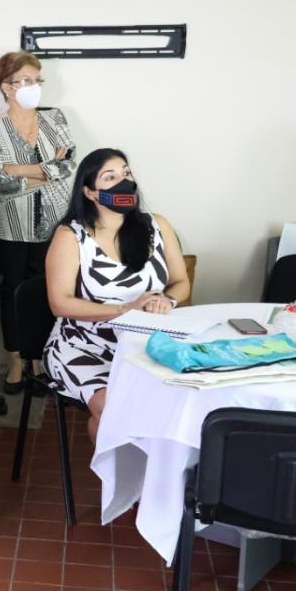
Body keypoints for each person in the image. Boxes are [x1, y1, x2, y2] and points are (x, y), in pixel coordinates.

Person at [42, 149, 190, 442]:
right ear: (90, 192)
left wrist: (167, 301)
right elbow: (60, 304)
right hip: (83, 347)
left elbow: (181, 282)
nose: (123, 181)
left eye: (126, 173)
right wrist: (126, 309)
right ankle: (117, 483)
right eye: (110, 177)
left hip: (146, 345)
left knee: (175, 408)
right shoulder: (71, 236)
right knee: (116, 410)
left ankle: (152, 480)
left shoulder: (157, 225)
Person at [0, 50, 78, 394]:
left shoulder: (56, 119)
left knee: (44, 289)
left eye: (36, 80)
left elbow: (68, 167)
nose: (32, 87)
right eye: (24, 80)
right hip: (11, 225)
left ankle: (40, 359)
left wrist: (17, 170)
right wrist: (44, 172)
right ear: (6, 87)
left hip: (54, 222)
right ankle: (15, 360)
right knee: (11, 291)